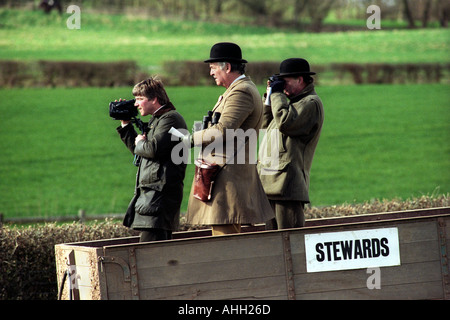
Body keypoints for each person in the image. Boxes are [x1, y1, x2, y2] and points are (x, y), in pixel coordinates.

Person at [186, 42, 274, 236]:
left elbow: (223, 129)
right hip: (226, 175)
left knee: (226, 244)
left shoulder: (241, 91)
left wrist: (188, 139)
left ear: (226, 66)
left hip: (227, 178)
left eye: (213, 67)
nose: (210, 73)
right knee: (227, 239)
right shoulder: (238, 89)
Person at [116, 77, 187, 242]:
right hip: (153, 198)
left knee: (150, 256)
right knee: (156, 255)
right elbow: (141, 151)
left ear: (154, 99)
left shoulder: (170, 119)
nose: (135, 103)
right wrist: (126, 124)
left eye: (139, 99)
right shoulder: (158, 120)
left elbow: (151, 149)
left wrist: (141, 141)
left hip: (159, 199)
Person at [257, 58, 324, 230]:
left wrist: (278, 94)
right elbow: (266, 125)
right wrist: (270, 95)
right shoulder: (292, 103)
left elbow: (285, 123)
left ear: (300, 79)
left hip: (288, 186)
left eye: (285, 82)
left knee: (290, 242)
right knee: (272, 245)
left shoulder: (310, 103)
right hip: (271, 182)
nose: (283, 86)